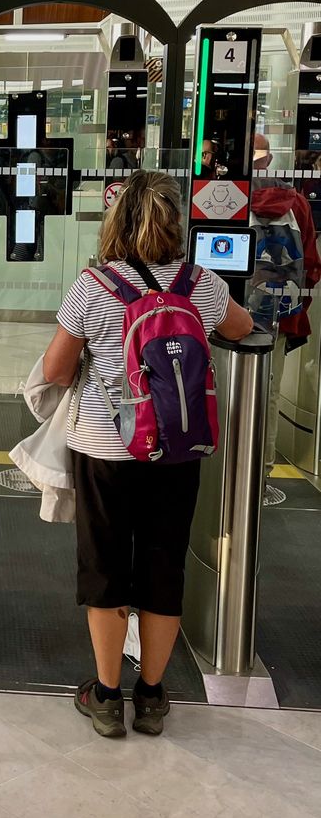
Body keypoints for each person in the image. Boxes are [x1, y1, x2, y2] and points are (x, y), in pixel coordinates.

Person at [41, 172, 252, 739]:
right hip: (178, 450)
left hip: (106, 449)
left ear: (117, 223)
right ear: (177, 226)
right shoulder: (201, 284)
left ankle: (106, 697)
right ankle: (153, 696)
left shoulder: (94, 286)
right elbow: (244, 326)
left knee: (105, 564)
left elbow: (57, 370)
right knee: (164, 562)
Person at [250, 133, 321, 481]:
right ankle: (261, 473)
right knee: (270, 390)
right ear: (269, 160)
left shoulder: (228, 196)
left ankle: (223, 469)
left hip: (229, 311)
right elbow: (310, 262)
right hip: (279, 312)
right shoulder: (298, 203)